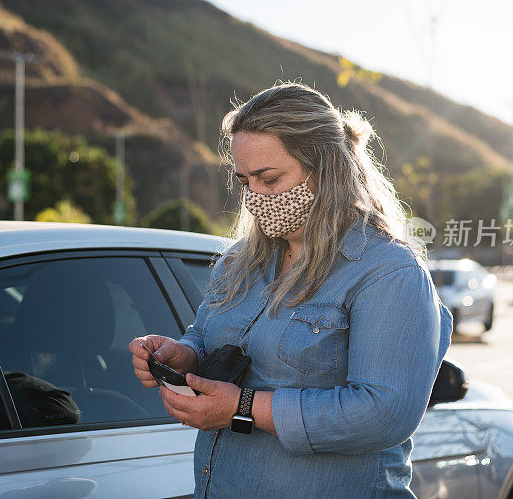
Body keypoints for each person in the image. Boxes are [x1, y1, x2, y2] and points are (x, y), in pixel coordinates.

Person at [130, 82, 453, 498]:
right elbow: (207, 335)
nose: (255, 197)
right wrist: (183, 354)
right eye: (245, 181)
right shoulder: (239, 261)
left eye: (269, 178)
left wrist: (242, 407)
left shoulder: (388, 272)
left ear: (327, 168)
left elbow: (384, 413)